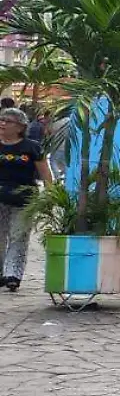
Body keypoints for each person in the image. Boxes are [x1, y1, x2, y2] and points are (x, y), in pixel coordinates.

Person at [0, 107, 52, 291]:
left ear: (20, 126)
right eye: (2, 119)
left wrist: (50, 195)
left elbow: (45, 173)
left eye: (8, 120)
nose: (3, 123)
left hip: (24, 198)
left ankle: (13, 274)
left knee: (18, 236)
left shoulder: (32, 147)